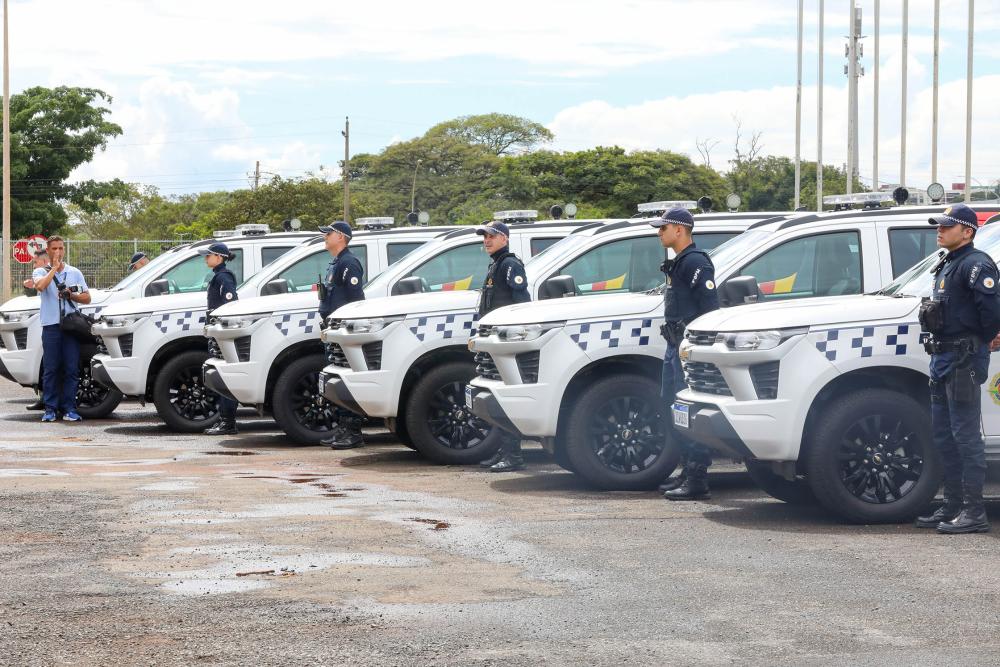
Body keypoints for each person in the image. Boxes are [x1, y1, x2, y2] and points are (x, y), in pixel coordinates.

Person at [915, 203, 1000, 534]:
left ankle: (973, 512)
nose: (939, 229)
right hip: (942, 359)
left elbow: (992, 312)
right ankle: (951, 506)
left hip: (963, 360)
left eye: (947, 226)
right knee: (944, 435)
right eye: (939, 225)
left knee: (966, 437)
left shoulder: (976, 265)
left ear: (967, 232)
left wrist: (984, 339)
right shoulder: (949, 263)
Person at [653, 207, 720, 501]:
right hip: (674, 347)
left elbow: (709, 309)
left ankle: (698, 478)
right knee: (673, 407)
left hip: (686, 351)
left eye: (663, 228)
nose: (659, 233)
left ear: (679, 230)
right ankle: (686, 470)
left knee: (687, 411)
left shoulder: (695, 263)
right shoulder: (679, 263)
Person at [473, 220, 531, 472]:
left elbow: (521, 303)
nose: (487, 240)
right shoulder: (495, 265)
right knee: (495, 395)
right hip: (493, 340)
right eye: (485, 236)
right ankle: (505, 450)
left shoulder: (510, 265)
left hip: (505, 342)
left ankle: (513, 454)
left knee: (505, 396)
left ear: (505, 239)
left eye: (492, 236)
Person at [316, 222, 367, 450]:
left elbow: (356, 302)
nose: (325, 237)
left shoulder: (349, 263)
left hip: (344, 331)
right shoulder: (336, 263)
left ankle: (353, 431)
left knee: (346, 379)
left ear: (341, 237)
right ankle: (343, 428)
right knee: (336, 379)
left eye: (329, 233)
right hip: (333, 329)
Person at [32, 236, 91, 422]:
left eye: (61, 248)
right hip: (51, 327)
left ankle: (69, 408)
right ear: (48, 251)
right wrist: (55, 269)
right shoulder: (40, 271)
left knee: (71, 369)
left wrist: (71, 295)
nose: (58, 252)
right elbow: (40, 286)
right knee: (51, 369)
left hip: (71, 327)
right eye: (54, 248)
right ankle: (50, 409)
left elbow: (87, 297)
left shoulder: (75, 272)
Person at [199, 242, 240, 436]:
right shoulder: (218, 276)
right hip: (216, 332)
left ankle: (228, 422)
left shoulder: (223, 277)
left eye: (209, 255)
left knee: (224, 378)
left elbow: (230, 306)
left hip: (221, 334)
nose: (206, 258)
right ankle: (225, 420)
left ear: (220, 257)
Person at [24, 249, 50, 410]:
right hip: (45, 323)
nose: (34, 265)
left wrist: (33, 284)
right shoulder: (42, 275)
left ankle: (47, 400)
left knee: (49, 363)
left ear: (44, 261)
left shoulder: (50, 272)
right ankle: (44, 398)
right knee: (45, 363)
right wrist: (30, 286)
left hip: (52, 325)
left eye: (36, 261)